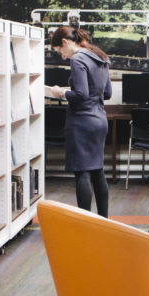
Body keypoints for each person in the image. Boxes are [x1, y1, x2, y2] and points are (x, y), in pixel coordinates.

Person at [48, 26, 113, 218]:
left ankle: (86, 224)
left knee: (82, 173)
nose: (61, 55)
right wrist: (75, 89)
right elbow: (107, 93)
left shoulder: (77, 59)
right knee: (98, 171)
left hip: (82, 122)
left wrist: (61, 93)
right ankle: (103, 221)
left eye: (59, 50)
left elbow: (81, 95)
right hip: (99, 120)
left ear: (66, 43)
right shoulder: (100, 56)